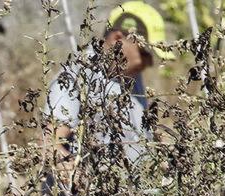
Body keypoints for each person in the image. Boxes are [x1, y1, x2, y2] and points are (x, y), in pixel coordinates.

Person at [45, 1, 173, 167]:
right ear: (118, 39)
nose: (148, 63)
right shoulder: (77, 74)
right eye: (143, 53)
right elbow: (49, 145)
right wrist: (76, 176)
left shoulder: (130, 74)